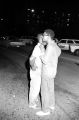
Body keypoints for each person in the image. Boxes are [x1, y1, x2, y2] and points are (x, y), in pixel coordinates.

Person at [36, 29, 61, 116]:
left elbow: (45, 60)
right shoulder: (55, 44)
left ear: (49, 36)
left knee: (44, 91)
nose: (43, 36)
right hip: (53, 71)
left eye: (44, 35)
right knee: (50, 89)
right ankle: (52, 105)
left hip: (46, 72)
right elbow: (59, 52)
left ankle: (45, 110)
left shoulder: (50, 46)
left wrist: (42, 51)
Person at [29, 34, 45, 109]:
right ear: (40, 39)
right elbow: (31, 59)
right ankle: (31, 104)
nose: (45, 39)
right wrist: (33, 66)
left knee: (36, 87)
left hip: (39, 71)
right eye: (43, 38)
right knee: (35, 88)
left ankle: (33, 100)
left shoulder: (41, 47)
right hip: (36, 71)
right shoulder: (38, 47)